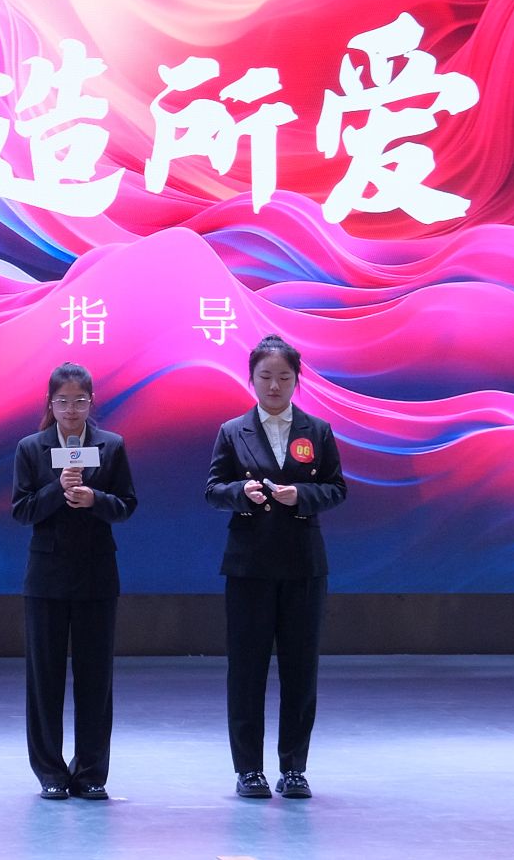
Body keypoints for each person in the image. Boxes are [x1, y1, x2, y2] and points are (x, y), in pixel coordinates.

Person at [204, 333, 347, 801]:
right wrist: (241, 494)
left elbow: (337, 489)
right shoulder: (233, 431)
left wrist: (300, 495)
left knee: (300, 670)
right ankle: (249, 769)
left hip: (303, 566)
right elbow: (213, 489)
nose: (274, 386)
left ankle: (294, 768)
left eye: (284, 377)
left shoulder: (317, 430)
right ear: (251, 378)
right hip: (249, 566)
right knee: (246, 671)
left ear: (296, 380)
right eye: (265, 376)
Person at [11, 362, 138, 801]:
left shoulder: (111, 445)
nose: (70, 410)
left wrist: (94, 498)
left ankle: (90, 773)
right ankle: (49, 771)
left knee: (95, 680)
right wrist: (56, 490)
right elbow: (21, 510)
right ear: (50, 403)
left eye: (79, 401)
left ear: (91, 402)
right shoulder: (31, 448)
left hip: (96, 577)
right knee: (45, 680)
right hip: (46, 578)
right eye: (62, 401)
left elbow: (127, 504)